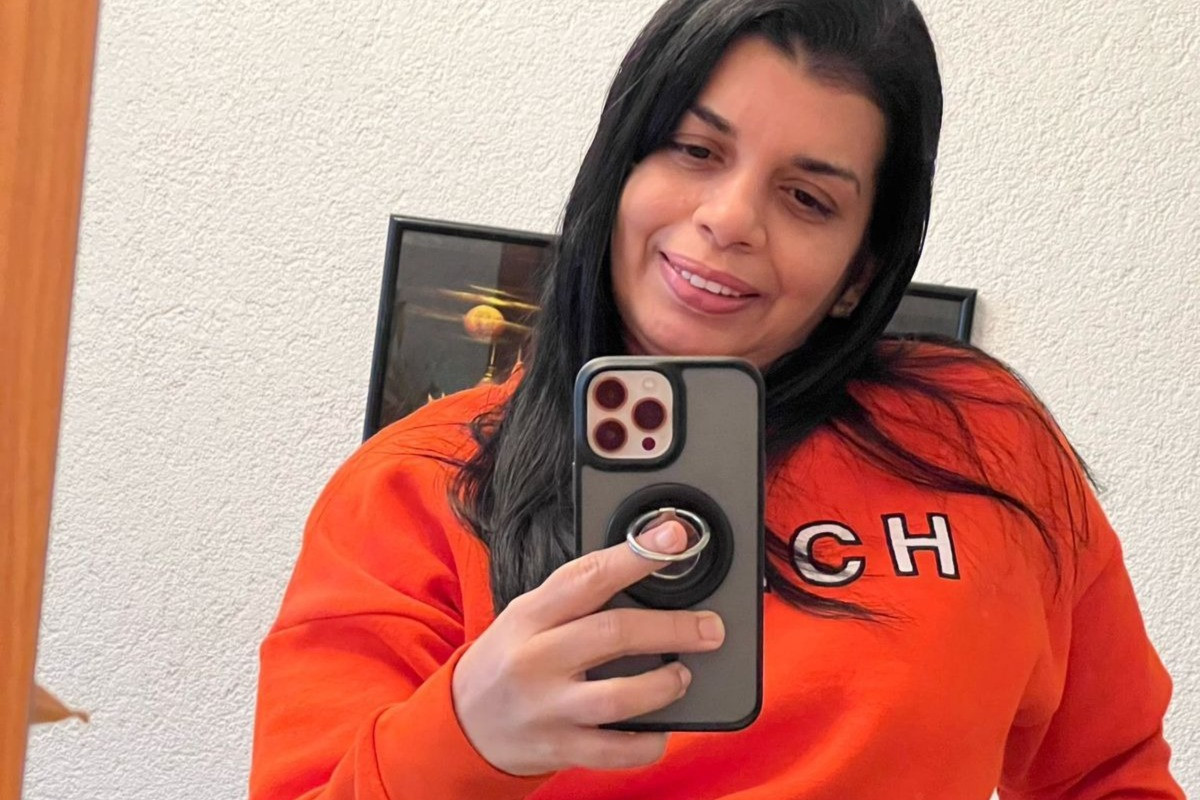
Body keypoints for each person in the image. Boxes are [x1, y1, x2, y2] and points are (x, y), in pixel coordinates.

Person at [249, 0, 1184, 797]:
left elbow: (1111, 774)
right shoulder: (413, 486)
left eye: (808, 198)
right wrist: (465, 738)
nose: (731, 218)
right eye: (695, 149)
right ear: (621, 167)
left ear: (860, 273)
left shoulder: (981, 440)